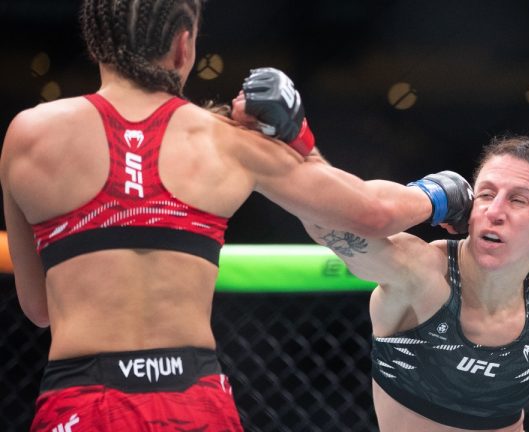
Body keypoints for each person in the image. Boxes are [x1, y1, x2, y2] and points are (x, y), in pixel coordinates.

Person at [0, 1, 472, 431]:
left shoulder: (28, 136)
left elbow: (39, 308)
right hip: (191, 398)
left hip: (82, 398)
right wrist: (441, 194)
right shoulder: (224, 140)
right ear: (184, 43)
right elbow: (372, 213)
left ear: (96, 41)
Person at [293, 134, 529, 431]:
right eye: (486, 195)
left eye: (517, 200)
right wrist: (428, 198)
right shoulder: (422, 274)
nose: (495, 211)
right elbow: (327, 220)